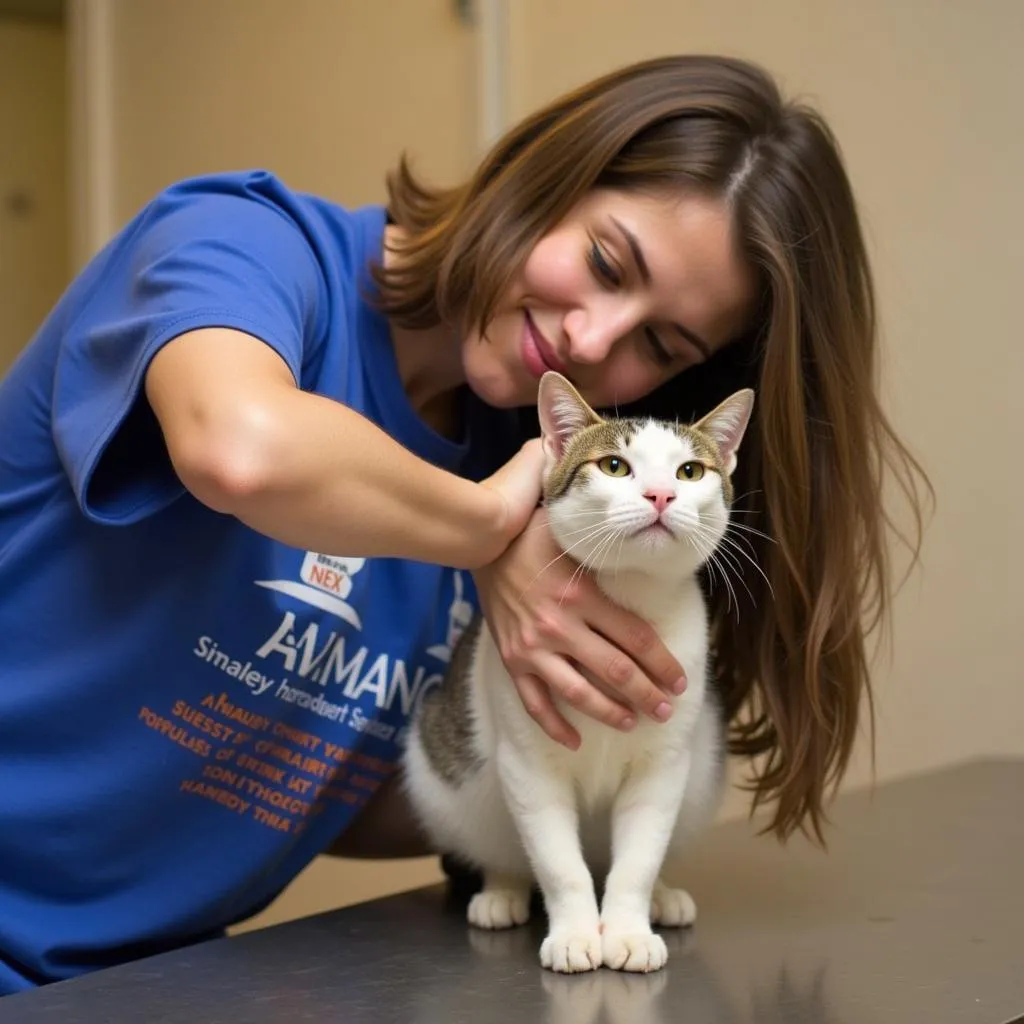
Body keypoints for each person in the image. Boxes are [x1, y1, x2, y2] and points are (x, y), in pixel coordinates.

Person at [0, 54, 929, 993]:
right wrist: (487, 533)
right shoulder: (241, 245)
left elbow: (322, 779)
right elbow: (238, 448)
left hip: (150, 982)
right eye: (607, 262)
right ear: (545, 173)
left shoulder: (565, 481)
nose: (594, 339)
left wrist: (566, 775)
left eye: (660, 342)